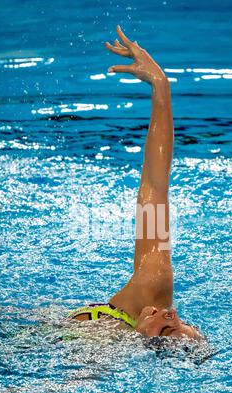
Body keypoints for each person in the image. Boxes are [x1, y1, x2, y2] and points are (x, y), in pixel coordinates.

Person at [69, 25, 202, 341]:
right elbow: (155, 186)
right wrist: (160, 85)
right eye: (182, 322)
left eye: (168, 328)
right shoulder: (154, 287)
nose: (171, 314)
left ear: (149, 342)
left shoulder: (103, 349)